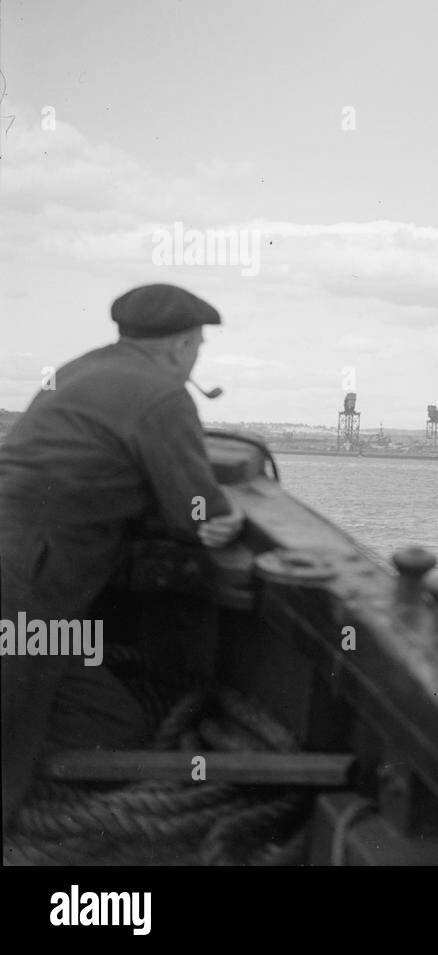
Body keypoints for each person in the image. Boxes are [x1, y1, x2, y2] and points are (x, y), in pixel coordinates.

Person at [0, 283, 245, 826]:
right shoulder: (162, 395)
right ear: (181, 346)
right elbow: (198, 513)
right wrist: (222, 518)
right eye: (198, 347)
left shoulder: (81, 368)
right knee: (9, 738)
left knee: (112, 724)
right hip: (27, 570)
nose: (195, 359)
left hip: (19, 554)